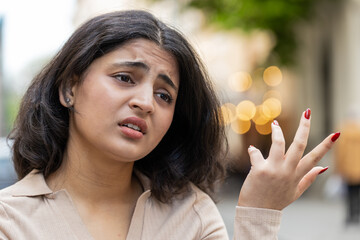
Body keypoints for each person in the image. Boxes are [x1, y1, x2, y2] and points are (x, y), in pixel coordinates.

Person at [0, 10, 340, 239]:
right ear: (68, 88)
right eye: (124, 78)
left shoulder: (191, 215)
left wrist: (259, 214)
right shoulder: (9, 220)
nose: (145, 102)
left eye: (164, 95)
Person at [335, 118, 360, 225]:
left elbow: (341, 153)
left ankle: (351, 215)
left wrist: (339, 168)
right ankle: (357, 213)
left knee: (350, 194)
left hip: (349, 170)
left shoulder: (344, 134)